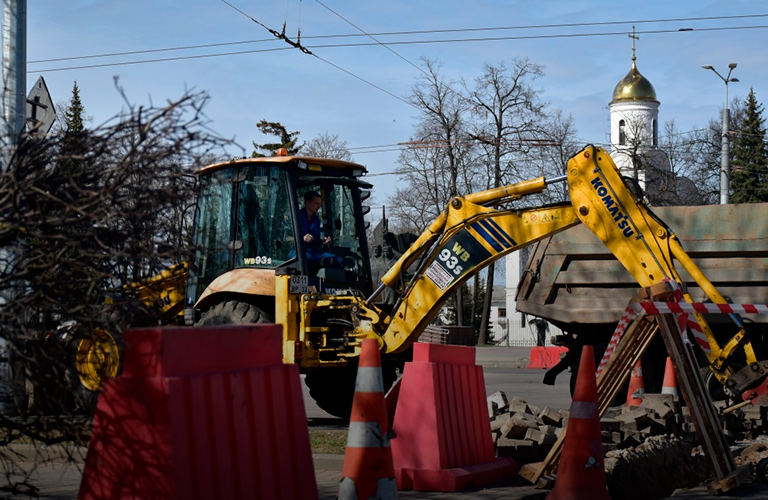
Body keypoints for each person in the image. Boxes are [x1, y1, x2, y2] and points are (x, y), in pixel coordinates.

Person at [299, 191, 332, 272]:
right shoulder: (296, 217)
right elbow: (285, 239)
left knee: (336, 260)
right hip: (298, 251)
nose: (319, 206)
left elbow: (315, 241)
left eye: (320, 204)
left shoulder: (316, 220)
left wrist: (323, 241)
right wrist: (301, 238)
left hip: (313, 251)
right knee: (309, 259)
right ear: (307, 203)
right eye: (316, 203)